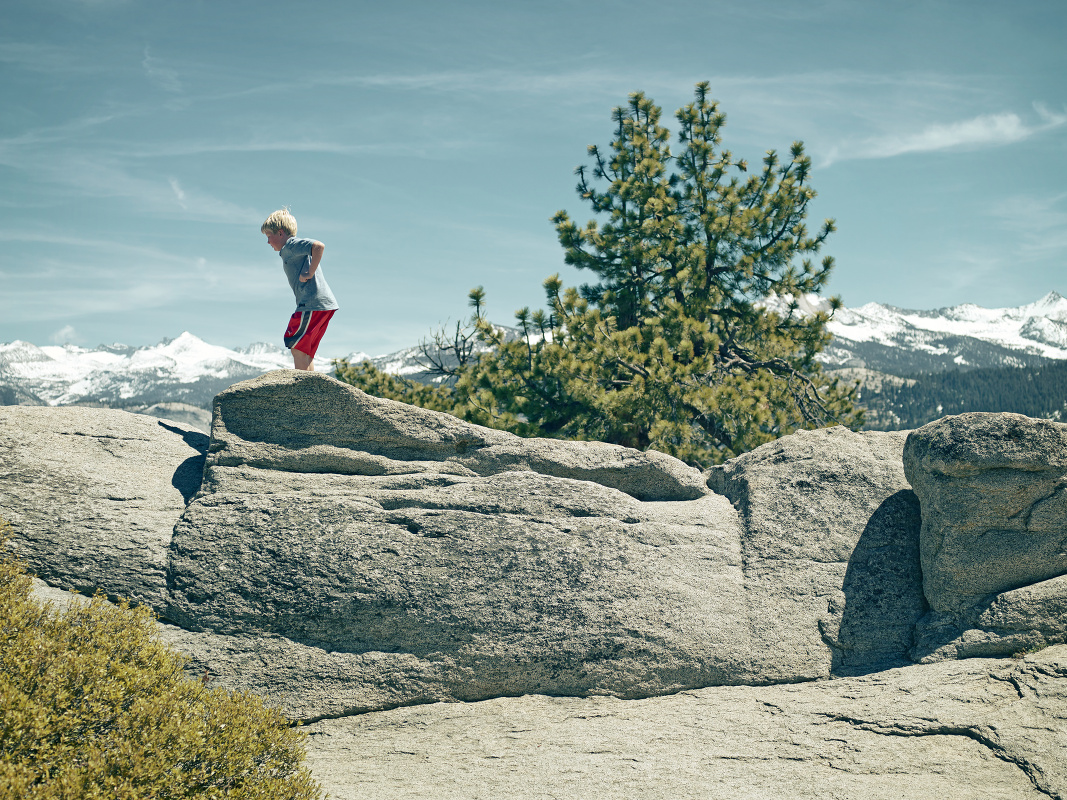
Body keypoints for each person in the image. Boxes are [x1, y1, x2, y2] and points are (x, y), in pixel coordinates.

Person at [261, 208, 339, 371]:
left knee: (296, 345)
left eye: (269, 236)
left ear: (280, 233)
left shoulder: (290, 245)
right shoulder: (290, 249)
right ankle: (309, 389)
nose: (268, 242)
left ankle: (301, 390)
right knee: (305, 350)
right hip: (323, 304)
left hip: (312, 303)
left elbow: (318, 246)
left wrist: (309, 272)